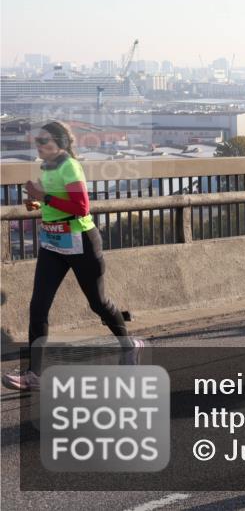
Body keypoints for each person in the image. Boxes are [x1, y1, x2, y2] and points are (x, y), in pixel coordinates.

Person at [2, 122, 144, 391]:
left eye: (44, 141)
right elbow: (52, 201)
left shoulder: (70, 167)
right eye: (37, 141)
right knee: (38, 307)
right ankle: (34, 374)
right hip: (53, 244)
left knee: (99, 304)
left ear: (60, 144)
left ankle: (129, 345)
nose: (39, 145)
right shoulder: (47, 167)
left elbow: (80, 207)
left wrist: (43, 196)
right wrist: (37, 201)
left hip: (81, 242)